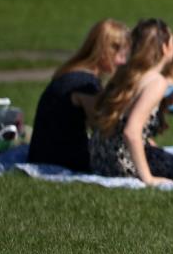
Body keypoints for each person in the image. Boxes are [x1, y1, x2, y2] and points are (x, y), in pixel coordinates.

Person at [29, 19, 130, 171]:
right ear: (105, 52)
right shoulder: (85, 83)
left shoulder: (73, 71)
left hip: (43, 152)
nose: (123, 62)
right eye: (121, 55)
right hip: (59, 158)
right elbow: (103, 127)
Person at [88, 18, 173, 184]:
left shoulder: (127, 72)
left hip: (100, 160)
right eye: (172, 42)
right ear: (165, 48)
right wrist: (148, 178)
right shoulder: (157, 81)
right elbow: (131, 132)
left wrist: (168, 101)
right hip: (123, 164)